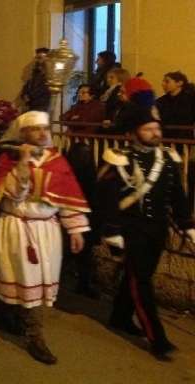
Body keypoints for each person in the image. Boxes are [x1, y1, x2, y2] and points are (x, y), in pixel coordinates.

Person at [0, 111, 90, 365]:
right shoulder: (8, 159)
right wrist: (23, 164)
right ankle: (34, 335)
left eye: (45, 128)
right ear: (24, 133)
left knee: (40, 279)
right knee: (17, 275)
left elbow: (68, 195)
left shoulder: (57, 161)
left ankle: (14, 316)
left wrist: (75, 229)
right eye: (36, 129)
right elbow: (12, 195)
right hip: (16, 225)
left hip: (47, 229)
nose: (43, 133)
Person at [97, 104, 194, 361]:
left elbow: (177, 196)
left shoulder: (170, 159)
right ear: (133, 132)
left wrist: (187, 225)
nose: (155, 133)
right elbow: (107, 199)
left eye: (156, 128)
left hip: (158, 228)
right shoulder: (119, 159)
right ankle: (157, 339)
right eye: (148, 129)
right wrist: (112, 230)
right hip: (131, 229)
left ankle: (119, 316)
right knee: (141, 281)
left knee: (138, 275)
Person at [156, 71, 195, 138]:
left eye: (167, 81)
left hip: (185, 140)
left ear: (179, 83)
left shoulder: (191, 100)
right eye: (163, 81)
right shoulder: (160, 101)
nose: (163, 84)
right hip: (165, 139)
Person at [17, 48, 51, 112]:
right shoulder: (35, 73)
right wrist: (24, 94)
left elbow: (45, 90)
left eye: (40, 58)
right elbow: (28, 86)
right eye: (37, 58)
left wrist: (30, 96)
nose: (37, 60)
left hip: (42, 106)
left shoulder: (50, 75)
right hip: (31, 105)